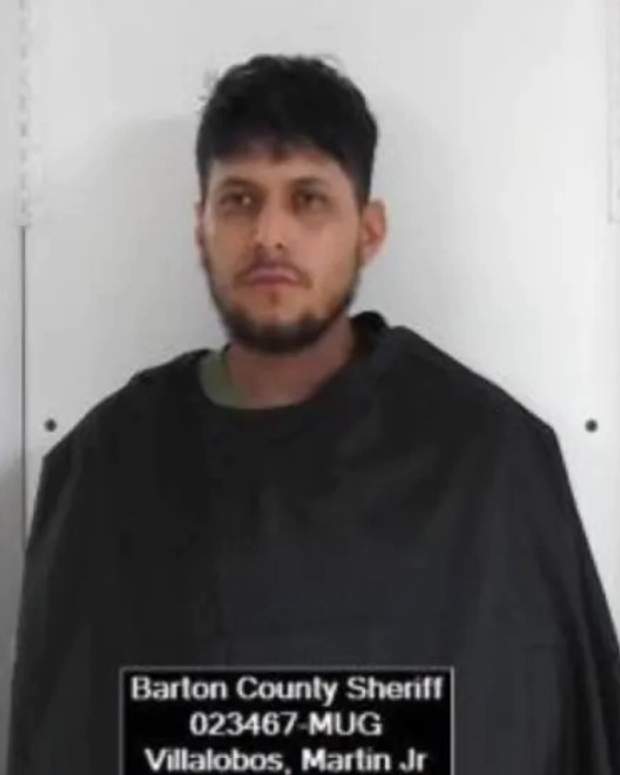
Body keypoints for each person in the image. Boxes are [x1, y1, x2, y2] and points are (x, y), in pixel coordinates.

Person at [6, 53, 620, 774]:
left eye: (309, 199)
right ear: (201, 227)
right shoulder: (105, 469)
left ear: (370, 230)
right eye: (240, 199)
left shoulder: (493, 461)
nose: (271, 234)